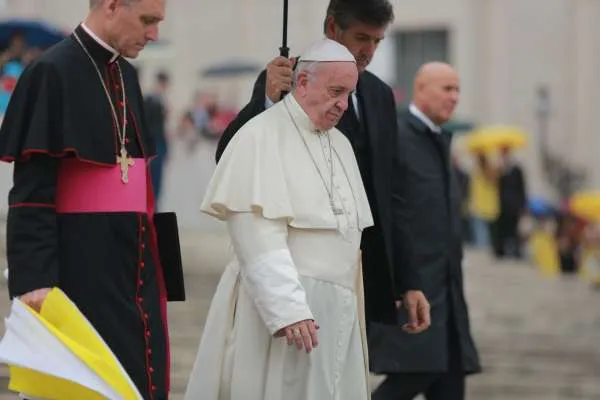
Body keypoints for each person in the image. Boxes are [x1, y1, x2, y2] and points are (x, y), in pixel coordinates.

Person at [215, 0, 430, 354]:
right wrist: (268, 102)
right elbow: (231, 155)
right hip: (301, 268)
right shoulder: (286, 80)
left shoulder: (378, 95)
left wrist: (408, 281)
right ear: (332, 28)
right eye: (362, 37)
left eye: (377, 41)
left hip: (362, 273)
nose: (368, 51)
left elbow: (392, 195)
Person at [184, 38, 373, 400]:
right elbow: (256, 232)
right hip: (286, 313)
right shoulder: (259, 135)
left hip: (336, 312)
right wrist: (287, 308)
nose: (342, 105)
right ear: (302, 82)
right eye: (335, 91)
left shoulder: (342, 144)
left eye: (348, 94)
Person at [0, 1, 172, 398]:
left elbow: (138, 183)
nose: (154, 35)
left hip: (134, 267)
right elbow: (31, 192)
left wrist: (165, 268)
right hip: (81, 269)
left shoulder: (127, 75)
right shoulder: (50, 72)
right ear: (112, 6)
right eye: (148, 21)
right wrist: (35, 281)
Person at [370, 62, 481, 400]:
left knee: (449, 382)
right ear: (420, 89)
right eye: (446, 89)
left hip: (447, 296)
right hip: (414, 292)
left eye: (457, 90)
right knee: (414, 373)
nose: (454, 97)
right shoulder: (399, 136)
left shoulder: (438, 140)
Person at [495, 146, 527, 258]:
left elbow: (522, 188)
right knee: (502, 229)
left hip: (514, 205)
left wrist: (522, 205)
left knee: (514, 229)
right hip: (502, 205)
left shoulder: (516, 169)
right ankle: (501, 251)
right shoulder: (499, 170)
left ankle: (516, 251)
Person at [144, 70, 170, 205]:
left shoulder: (161, 100)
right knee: (153, 178)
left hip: (160, 143)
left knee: (158, 180)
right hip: (153, 144)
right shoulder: (150, 100)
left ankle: (155, 206)